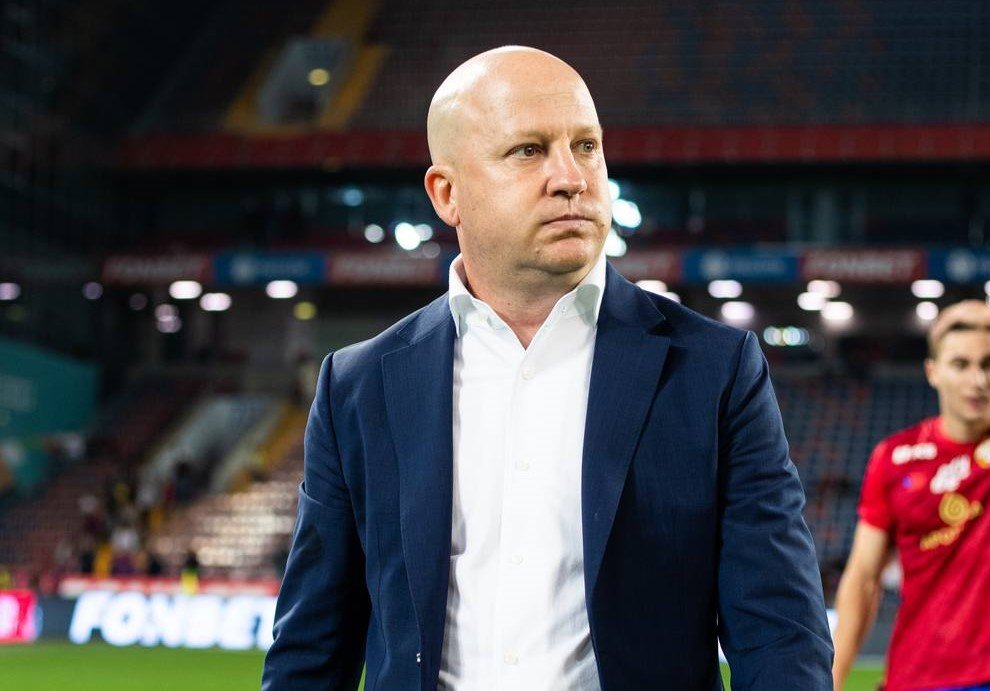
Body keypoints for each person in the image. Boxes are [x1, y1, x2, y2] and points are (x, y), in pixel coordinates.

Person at [262, 46, 832, 690]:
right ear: (447, 193)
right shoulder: (356, 386)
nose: (572, 177)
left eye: (586, 146)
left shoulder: (715, 370)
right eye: (529, 151)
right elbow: (312, 650)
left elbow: (780, 633)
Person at [833, 300, 990, 691]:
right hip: (918, 675)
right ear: (933, 372)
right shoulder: (895, 457)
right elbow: (863, 578)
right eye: (960, 364)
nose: (978, 380)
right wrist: (830, 679)